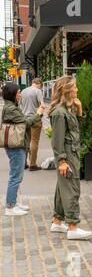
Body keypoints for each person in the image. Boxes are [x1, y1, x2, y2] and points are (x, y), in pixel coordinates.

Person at [48, 76, 92, 240]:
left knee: (62, 188)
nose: (77, 90)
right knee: (72, 188)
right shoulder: (59, 113)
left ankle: (57, 221)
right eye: (74, 87)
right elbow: (56, 140)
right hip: (67, 154)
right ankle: (73, 227)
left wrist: (79, 110)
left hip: (72, 152)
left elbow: (76, 131)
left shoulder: (68, 109)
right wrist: (62, 161)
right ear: (65, 90)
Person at [1, 83, 45, 216]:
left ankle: (13, 202)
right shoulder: (11, 109)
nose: (20, 94)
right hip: (16, 146)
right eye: (18, 92)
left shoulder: (12, 106)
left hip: (17, 145)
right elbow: (26, 123)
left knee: (16, 176)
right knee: (15, 176)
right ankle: (10, 207)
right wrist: (38, 114)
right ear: (13, 94)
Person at [19, 78, 44, 171]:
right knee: (34, 141)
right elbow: (42, 105)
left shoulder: (23, 91)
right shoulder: (38, 91)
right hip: (35, 119)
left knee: (25, 141)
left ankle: (23, 163)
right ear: (39, 84)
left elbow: (20, 105)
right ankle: (32, 164)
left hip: (25, 119)